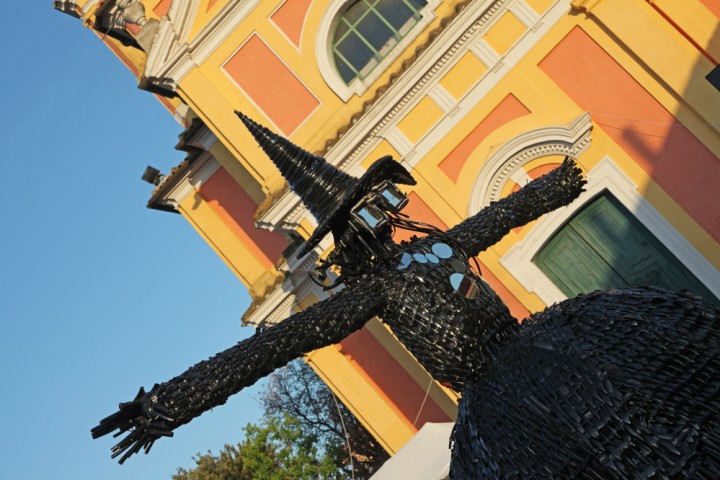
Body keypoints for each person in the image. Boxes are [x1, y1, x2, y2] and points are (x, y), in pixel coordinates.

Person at [93, 113, 720, 478]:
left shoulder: (438, 244)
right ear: (349, 236)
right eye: (366, 209)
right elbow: (273, 347)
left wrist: (554, 187)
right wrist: (169, 404)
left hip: (554, 342)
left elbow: (497, 219)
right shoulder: (371, 294)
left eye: (378, 201)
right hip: (505, 409)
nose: (383, 211)